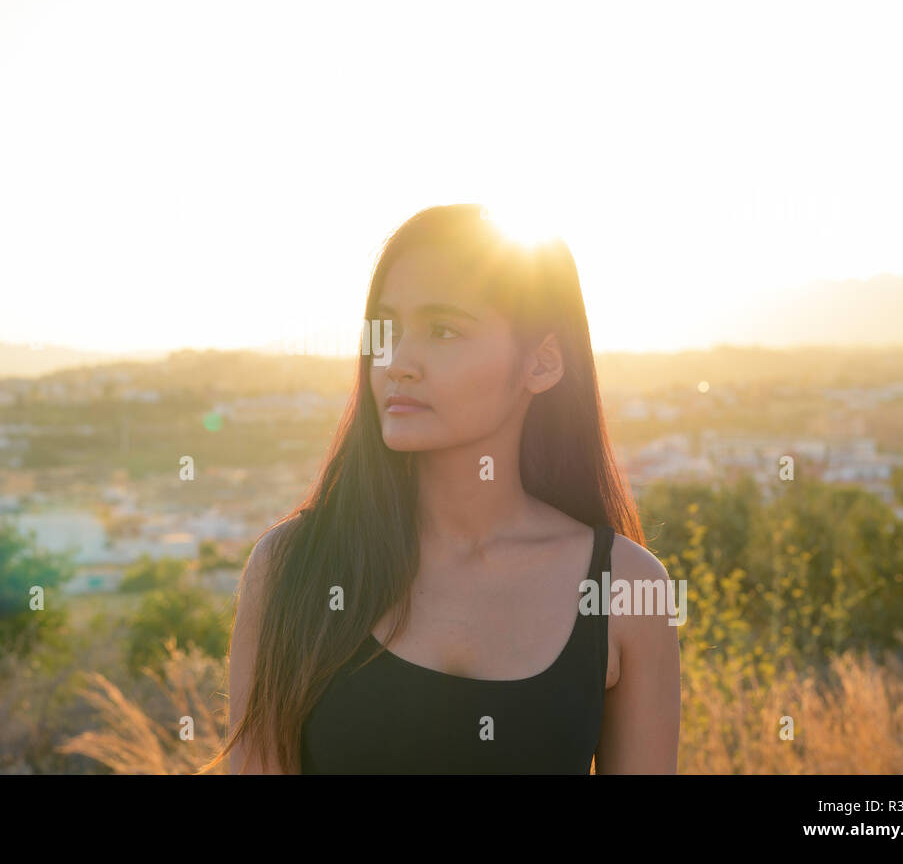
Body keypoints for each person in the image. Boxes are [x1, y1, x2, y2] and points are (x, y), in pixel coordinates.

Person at [205, 203, 680, 774]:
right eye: (387, 329)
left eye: (443, 330)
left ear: (543, 363)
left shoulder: (627, 588)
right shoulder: (292, 568)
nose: (398, 362)